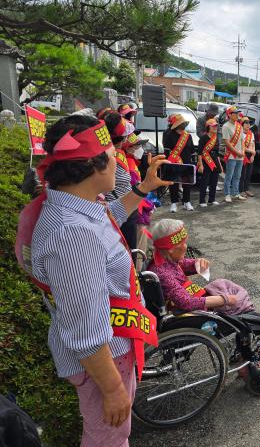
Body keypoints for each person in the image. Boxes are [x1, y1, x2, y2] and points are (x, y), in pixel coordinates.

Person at [23, 114, 168, 446]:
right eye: (114, 154)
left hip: (112, 344)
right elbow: (86, 329)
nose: (119, 160)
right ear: (95, 166)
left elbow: (109, 222)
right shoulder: (73, 233)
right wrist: (114, 389)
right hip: (105, 358)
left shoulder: (75, 204)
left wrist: (143, 188)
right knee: (109, 439)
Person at [148, 219, 254, 314]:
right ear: (171, 249)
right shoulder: (163, 273)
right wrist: (226, 300)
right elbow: (186, 302)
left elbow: (185, 263)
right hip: (191, 312)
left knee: (223, 285)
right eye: (183, 243)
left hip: (196, 298)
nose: (186, 246)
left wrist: (198, 262)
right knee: (237, 300)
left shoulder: (167, 259)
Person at [103, 112, 139, 250]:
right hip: (119, 211)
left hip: (123, 209)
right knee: (128, 250)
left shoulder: (116, 153)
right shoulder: (109, 156)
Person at [163, 113, 196, 212]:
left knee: (187, 183)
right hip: (173, 162)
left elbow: (192, 149)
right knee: (174, 183)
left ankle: (187, 201)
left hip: (186, 162)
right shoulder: (168, 135)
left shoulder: (188, 136)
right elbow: (167, 151)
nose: (183, 125)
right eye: (180, 123)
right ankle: (174, 203)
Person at [221, 106, 245, 203]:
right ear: (229, 115)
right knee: (229, 176)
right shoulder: (226, 126)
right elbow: (227, 142)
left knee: (238, 175)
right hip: (231, 155)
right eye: (235, 113)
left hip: (240, 155)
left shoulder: (239, 126)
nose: (237, 115)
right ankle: (227, 194)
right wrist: (237, 152)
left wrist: (242, 152)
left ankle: (235, 193)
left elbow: (242, 141)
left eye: (237, 113)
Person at [197, 117, 222, 207]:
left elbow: (218, 153)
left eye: (216, 126)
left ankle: (212, 199)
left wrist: (220, 165)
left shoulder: (216, 138)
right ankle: (202, 201)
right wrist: (200, 165)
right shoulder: (203, 138)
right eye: (213, 126)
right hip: (205, 162)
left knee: (214, 182)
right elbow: (199, 153)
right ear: (208, 127)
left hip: (215, 162)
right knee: (204, 182)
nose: (215, 128)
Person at [240, 117, 256, 197]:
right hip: (243, 154)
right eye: (246, 123)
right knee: (242, 173)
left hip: (250, 155)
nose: (248, 125)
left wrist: (253, 154)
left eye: (249, 123)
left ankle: (247, 189)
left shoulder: (251, 133)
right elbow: (242, 146)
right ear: (242, 124)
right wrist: (251, 151)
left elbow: (253, 144)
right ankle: (241, 190)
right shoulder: (240, 133)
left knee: (248, 174)